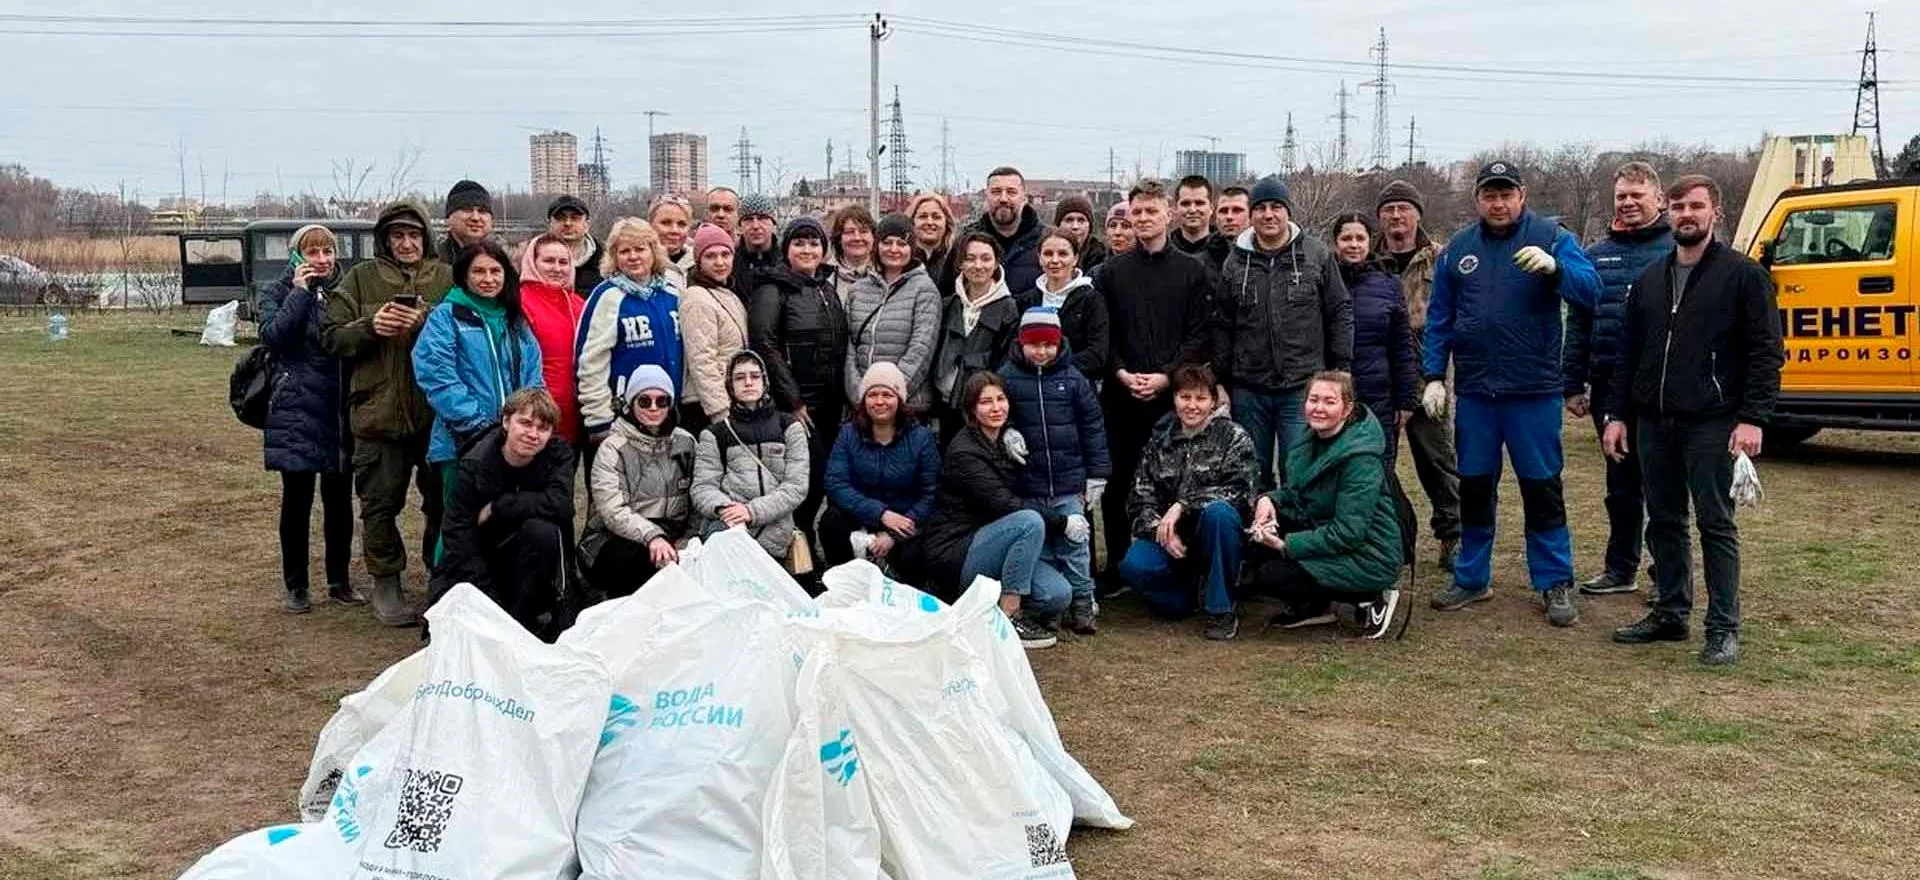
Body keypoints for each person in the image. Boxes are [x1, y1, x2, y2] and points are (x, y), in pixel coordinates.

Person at [1603, 174, 1783, 667]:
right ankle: (1670, 611)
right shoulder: (1650, 281)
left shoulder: (1743, 276)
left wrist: (1752, 418)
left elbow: (1766, 351)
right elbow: (1628, 353)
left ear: (1715, 213)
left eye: (1696, 206)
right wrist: (1617, 414)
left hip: (1712, 421)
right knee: (1663, 521)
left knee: (1715, 524)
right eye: (1679, 205)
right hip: (1653, 422)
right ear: (1669, 211)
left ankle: (1723, 626)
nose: (1686, 214)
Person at [1421, 160, 1601, 627]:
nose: (1497, 203)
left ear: (1522, 194)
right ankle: (1472, 577)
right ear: (1477, 198)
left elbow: (1591, 291)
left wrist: (1557, 269)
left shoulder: (1552, 236)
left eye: (1506, 194)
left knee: (1541, 487)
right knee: (1476, 487)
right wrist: (1434, 375)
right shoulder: (1458, 248)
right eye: (1489, 195)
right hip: (1479, 393)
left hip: (1533, 391)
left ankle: (1554, 579)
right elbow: (1440, 316)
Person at [323, 199, 452, 627]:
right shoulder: (361, 279)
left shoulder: (446, 278)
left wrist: (427, 320)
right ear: (384, 239)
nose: (406, 243)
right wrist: (369, 327)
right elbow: (330, 337)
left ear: (425, 238)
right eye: (397, 235)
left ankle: (442, 577)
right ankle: (386, 580)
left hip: (436, 414)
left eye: (414, 235)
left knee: (442, 502)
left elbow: (470, 325)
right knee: (379, 504)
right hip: (377, 413)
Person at [1093, 178, 1213, 589]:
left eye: (1151, 211)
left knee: (1173, 481)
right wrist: (1121, 372)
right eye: (1136, 212)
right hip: (1121, 394)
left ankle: (1172, 558)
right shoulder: (1111, 273)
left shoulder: (1192, 272)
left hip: (1171, 397)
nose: (1143, 219)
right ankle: (1118, 565)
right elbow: (1102, 334)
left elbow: (1200, 334)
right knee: (1117, 480)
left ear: (1169, 214)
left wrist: (1166, 376)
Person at [1565, 161, 1674, 597]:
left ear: (1659, 200)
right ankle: (1620, 567)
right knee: (1621, 485)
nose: (1628, 203)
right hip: (1610, 383)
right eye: (1621, 197)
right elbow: (1579, 322)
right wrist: (1572, 383)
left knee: (1663, 484)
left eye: (1637, 195)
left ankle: (1667, 569)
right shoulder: (1596, 255)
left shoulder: (1676, 250)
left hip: (1663, 388)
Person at [1213, 175, 1353, 491]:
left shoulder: (1315, 254)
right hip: (1249, 387)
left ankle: (1294, 537)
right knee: (1251, 471)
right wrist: (1221, 380)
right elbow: (1222, 323)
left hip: (1301, 386)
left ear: (1288, 211)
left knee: (1299, 470)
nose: (1268, 215)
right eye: (1260, 208)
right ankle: (1256, 537)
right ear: (1251, 215)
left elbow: (1339, 311)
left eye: (1276, 207)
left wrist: (1341, 369)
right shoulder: (1235, 261)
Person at [919, 371, 1072, 648]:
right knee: (1029, 521)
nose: (996, 407)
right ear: (971, 409)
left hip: (998, 543)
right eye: (985, 402)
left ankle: (980, 606)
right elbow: (1005, 504)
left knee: (1058, 594)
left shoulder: (1003, 441)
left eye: (1001, 399)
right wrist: (1062, 522)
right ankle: (1009, 616)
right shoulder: (965, 452)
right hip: (957, 550)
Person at [1247, 371, 1405, 639]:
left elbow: (1349, 532)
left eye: (1329, 402)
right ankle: (1315, 607)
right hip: (1327, 531)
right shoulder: (1310, 439)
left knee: (1272, 575)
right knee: (1252, 544)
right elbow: (1299, 494)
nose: (1319, 408)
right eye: (1313, 400)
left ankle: (1372, 595)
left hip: (1369, 554)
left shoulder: (1360, 460)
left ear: (1347, 409)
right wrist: (1268, 500)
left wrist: (1288, 545)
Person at [1118, 364, 1257, 640]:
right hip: (1171, 540)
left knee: (1220, 513)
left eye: (1201, 398)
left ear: (1213, 402)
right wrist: (1159, 529)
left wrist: (1183, 504)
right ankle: (1187, 596)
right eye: (1185, 397)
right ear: (1174, 399)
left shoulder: (1234, 437)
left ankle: (1221, 608)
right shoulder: (1159, 441)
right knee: (1133, 566)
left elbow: (1242, 492)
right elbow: (1139, 497)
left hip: (1214, 534)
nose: (1192, 406)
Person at [259, 224, 357, 613]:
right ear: (297, 256)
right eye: (312, 252)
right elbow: (274, 336)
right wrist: (299, 294)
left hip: (337, 406)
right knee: (297, 502)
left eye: (327, 251)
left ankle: (340, 580)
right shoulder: (278, 291)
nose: (321, 260)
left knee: (339, 501)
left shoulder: (345, 292)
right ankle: (296, 584)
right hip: (296, 408)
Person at [999, 308, 1111, 636]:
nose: (1042, 351)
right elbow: (994, 411)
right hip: (1029, 484)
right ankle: (1050, 604)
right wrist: (1008, 430)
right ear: (1022, 343)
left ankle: (1082, 601)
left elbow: (1092, 426)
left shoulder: (1074, 379)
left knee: (1075, 545)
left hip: (1068, 483)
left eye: (1049, 344)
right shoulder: (1007, 376)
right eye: (1035, 345)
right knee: (1042, 547)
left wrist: (1096, 474)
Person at [433, 387, 575, 639]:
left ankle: (525, 618)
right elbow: (458, 535)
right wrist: (491, 603)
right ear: (506, 421)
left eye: (542, 428)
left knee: (543, 531)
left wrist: (500, 506)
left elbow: (561, 504)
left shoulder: (558, 455)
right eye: (525, 423)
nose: (533, 434)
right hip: (480, 562)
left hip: (530, 563)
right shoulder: (474, 463)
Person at [1376, 178, 1462, 571]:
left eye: (1404, 209)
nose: (1396, 216)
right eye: (1389, 210)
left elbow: (1454, 317)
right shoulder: (1363, 258)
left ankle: (1453, 535)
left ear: (1418, 215)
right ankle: (1385, 536)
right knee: (1375, 461)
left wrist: (1434, 378)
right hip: (1377, 374)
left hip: (1428, 374)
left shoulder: (1441, 258)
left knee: (1438, 460)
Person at [414, 240, 545, 499]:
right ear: (464, 274)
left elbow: (534, 377)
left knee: (504, 522)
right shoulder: (446, 316)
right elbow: (437, 376)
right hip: (462, 442)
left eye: (495, 271)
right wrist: (477, 426)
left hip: (514, 441)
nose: (488, 279)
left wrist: (526, 423)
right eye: (479, 271)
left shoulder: (515, 319)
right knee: (461, 527)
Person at [579, 365, 696, 598]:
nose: (653, 408)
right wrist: (653, 536)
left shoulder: (687, 443)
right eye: (644, 401)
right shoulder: (613, 447)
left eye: (662, 401)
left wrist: (688, 540)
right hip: (618, 539)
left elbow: (699, 496)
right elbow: (613, 511)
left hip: (674, 534)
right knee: (637, 556)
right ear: (630, 403)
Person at [691, 351, 811, 563]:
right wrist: (725, 509)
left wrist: (751, 511)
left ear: (765, 382)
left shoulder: (789, 426)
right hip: (731, 529)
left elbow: (796, 486)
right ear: (730, 385)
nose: (748, 382)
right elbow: (703, 487)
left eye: (754, 376)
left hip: (775, 531)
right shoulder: (715, 434)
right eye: (739, 377)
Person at [576, 218, 683, 452]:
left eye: (640, 249)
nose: (633, 256)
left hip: (667, 412)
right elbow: (590, 362)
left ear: (653, 252)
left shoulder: (672, 293)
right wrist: (599, 420)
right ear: (614, 257)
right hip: (622, 419)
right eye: (624, 251)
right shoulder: (607, 297)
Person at [821, 362, 941, 569]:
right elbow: (835, 483)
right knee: (831, 521)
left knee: (914, 554)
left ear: (900, 400)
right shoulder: (848, 433)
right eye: (872, 395)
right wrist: (880, 513)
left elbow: (931, 493)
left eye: (887, 395)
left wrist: (894, 534)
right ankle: (842, 583)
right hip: (860, 514)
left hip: (905, 521)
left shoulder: (921, 438)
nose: (879, 401)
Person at [1329, 213, 1418, 458]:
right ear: (1336, 242)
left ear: (1370, 241)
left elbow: (1402, 346)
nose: (1354, 245)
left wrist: (1406, 399)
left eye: (1360, 238)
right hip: (1331, 395)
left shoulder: (1389, 284)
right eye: (1346, 238)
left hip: (1378, 396)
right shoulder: (1323, 280)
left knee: (1378, 464)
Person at [845, 213, 942, 411]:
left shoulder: (925, 289)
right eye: (887, 242)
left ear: (912, 248)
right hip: (862, 405)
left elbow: (921, 350)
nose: (894, 249)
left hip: (908, 406)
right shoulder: (857, 290)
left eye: (902, 243)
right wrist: (860, 396)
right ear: (877, 246)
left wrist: (891, 396)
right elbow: (849, 348)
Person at [933, 232, 1020, 445]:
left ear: (996, 262)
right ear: (960, 263)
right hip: (944, 407)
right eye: (970, 258)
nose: (978, 265)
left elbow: (1006, 363)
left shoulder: (1009, 308)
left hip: (983, 412)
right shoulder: (948, 304)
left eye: (986, 258)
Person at [516, 233, 586, 450]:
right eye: (548, 261)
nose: (557, 268)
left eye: (563, 262)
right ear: (532, 262)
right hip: (535, 415)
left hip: (575, 414)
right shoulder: (519, 301)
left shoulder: (578, 304)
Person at [679, 223, 748, 437]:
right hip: (706, 407)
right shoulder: (697, 298)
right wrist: (721, 413)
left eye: (725, 254)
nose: (720, 262)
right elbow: (701, 360)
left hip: (729, 397)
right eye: (710, 256)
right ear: (698, 261)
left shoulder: (727, 294)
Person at [1014, 229, 1110, 379]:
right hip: (1031, 383)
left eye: (1063, 254)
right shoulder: (1025, 301)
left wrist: (1054, 367)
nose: (1055, 260)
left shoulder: (1091, 299)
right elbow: (1015, 347)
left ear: (1075, 258)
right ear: (1039, 258)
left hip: (1076, 386)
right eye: (1048, 254)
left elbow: (1097, 354)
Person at [968, 166, 1046, 293]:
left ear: (1024, 198)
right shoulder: (966, 241)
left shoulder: (1047, 241)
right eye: (996, 192)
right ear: (986, 196)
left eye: (1011, 192)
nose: (1003, 198)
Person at [546, 194, 603, 294]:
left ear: (587, 225)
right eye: (560, 218)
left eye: (575, 218)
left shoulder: (606, 260)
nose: (568, 223)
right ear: (550, 224)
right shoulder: (532, 262)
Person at [907, 190, 959, 292]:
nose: (930, 222)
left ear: (946, 222)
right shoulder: (901, 260)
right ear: (912, 221)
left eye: (936, 217)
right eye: (923, 216)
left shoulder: (957, 260)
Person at [735, 192, 783, 297]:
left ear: (773, 224)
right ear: (740, 226)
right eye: (748, 219)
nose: (756, 226)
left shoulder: (787, 262)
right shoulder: (730, 264)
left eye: (762, 218)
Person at [437, 179, 494, 264]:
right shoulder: (432, 262)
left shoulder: (504, 259)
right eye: (467, 210)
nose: (476, 218)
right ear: (449, 218)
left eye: (482, 211)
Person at [649, 194, 696, 289]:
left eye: (681, 224)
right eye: (666, 223)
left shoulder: (700, 267)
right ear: (650, 224)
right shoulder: (637, 264)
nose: (674, 230)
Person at [1053, 194, 1107, 272]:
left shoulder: (1103, 261)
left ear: (1090, 226)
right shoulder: (1046, 257)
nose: (1075, 226)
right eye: (1069, 220)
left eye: (1081, 220)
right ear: (1058, 225)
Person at [1170, 175, 1216, 259]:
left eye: (1199, 203)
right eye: (1185, 203)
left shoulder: (1227, 252)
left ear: (1211, 208)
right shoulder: (1162, 251)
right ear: (1176, 209)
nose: (1192, 210)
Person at [1213, 185, 1252, 264]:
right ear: (1215, 217)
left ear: (1251, 215)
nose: (1229, 217)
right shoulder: (1201, 261)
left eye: (1237, 210)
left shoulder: (1268, 256)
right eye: (1223, 211)